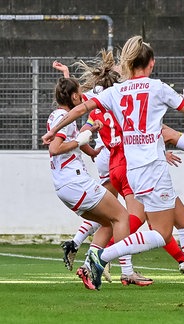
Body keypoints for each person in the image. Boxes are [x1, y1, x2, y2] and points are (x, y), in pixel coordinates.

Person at [42, 36, 184, 301]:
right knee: (161, 233)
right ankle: (101, 256)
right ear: (151, 63)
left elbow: (80, 109)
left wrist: (53, 131)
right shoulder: (158, 88)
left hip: (133, 170)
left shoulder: (116, 91)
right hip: (153, 169)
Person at [45, 76, 134, 290]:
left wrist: (91, 149)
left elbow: (72, 140)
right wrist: (80, 141)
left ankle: (88, 269)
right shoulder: (64, 115)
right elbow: (55, 148)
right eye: (80, 94)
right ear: (74, 96)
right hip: (75, 182)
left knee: (108, 222)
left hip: (66, 187)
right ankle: (127, 271)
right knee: (122, 216)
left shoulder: (59, 116)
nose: (83, 98)